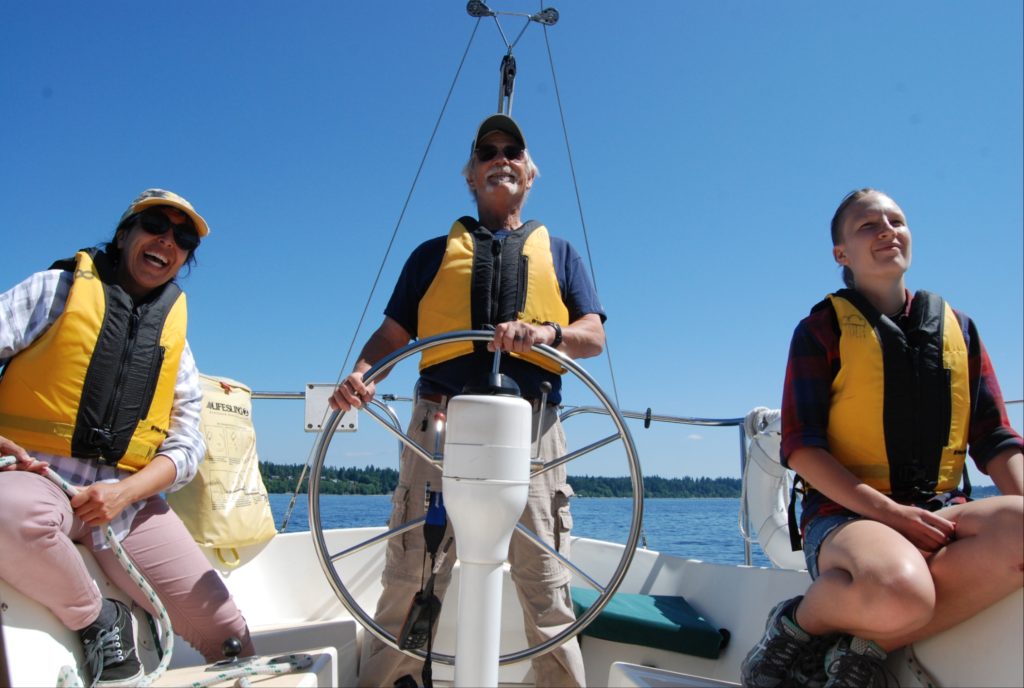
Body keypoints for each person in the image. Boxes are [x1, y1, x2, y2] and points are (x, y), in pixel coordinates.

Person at [329, 114, 605, 687]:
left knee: (546, 581)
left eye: (512, 151)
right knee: (411, 573)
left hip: (533, 430)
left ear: (529, 173)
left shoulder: (561, 253)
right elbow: (390, 338)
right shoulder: (431, 256)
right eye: (487, 151)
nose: (499, 158)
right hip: (439, 424)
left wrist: (546, 333)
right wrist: (362, 375)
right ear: (471, 175)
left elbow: (594, 337)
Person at [741, 188, 1023, 688]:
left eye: (896, 221)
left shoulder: (960, 328)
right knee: (902, 590)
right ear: (841, 254)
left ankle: (862, 652)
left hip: (939, 512)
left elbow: (995, 439)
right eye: (869, 225)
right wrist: (891, 516)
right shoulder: (821, 329)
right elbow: (802, 448)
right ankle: (793, 627)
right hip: (844, 519)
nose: (888, 230)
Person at [0, 189, 255, 687]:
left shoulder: (175, 344)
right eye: (156, 225)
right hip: (35, 474)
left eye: (182, 239)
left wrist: (124, 493)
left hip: (126, 499)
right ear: (123, 236)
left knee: (229, 635)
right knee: (6, 516)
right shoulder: (54, 290)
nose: (168, 241)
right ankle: (100, 621)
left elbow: (187, 444)